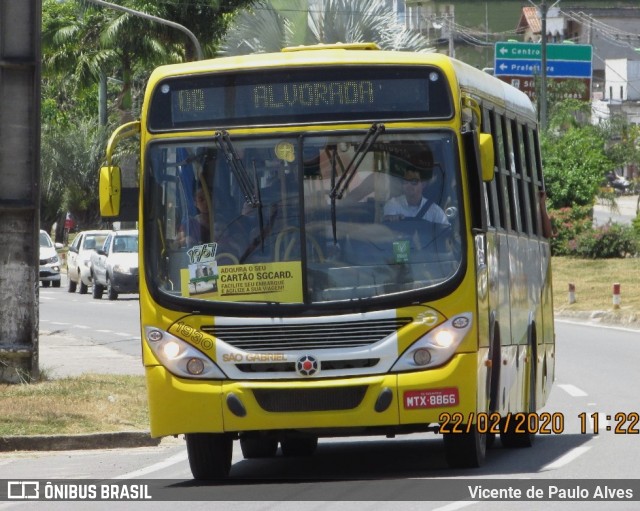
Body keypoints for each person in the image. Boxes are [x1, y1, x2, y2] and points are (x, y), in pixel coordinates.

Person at [383, 163, 449, 226]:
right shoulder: (393, 205)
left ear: (423, 184)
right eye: (405, 181)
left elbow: (446, 233)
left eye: (413, 181)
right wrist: (392, 221)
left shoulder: (436, 212)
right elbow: (387, 232)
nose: (408, 185)